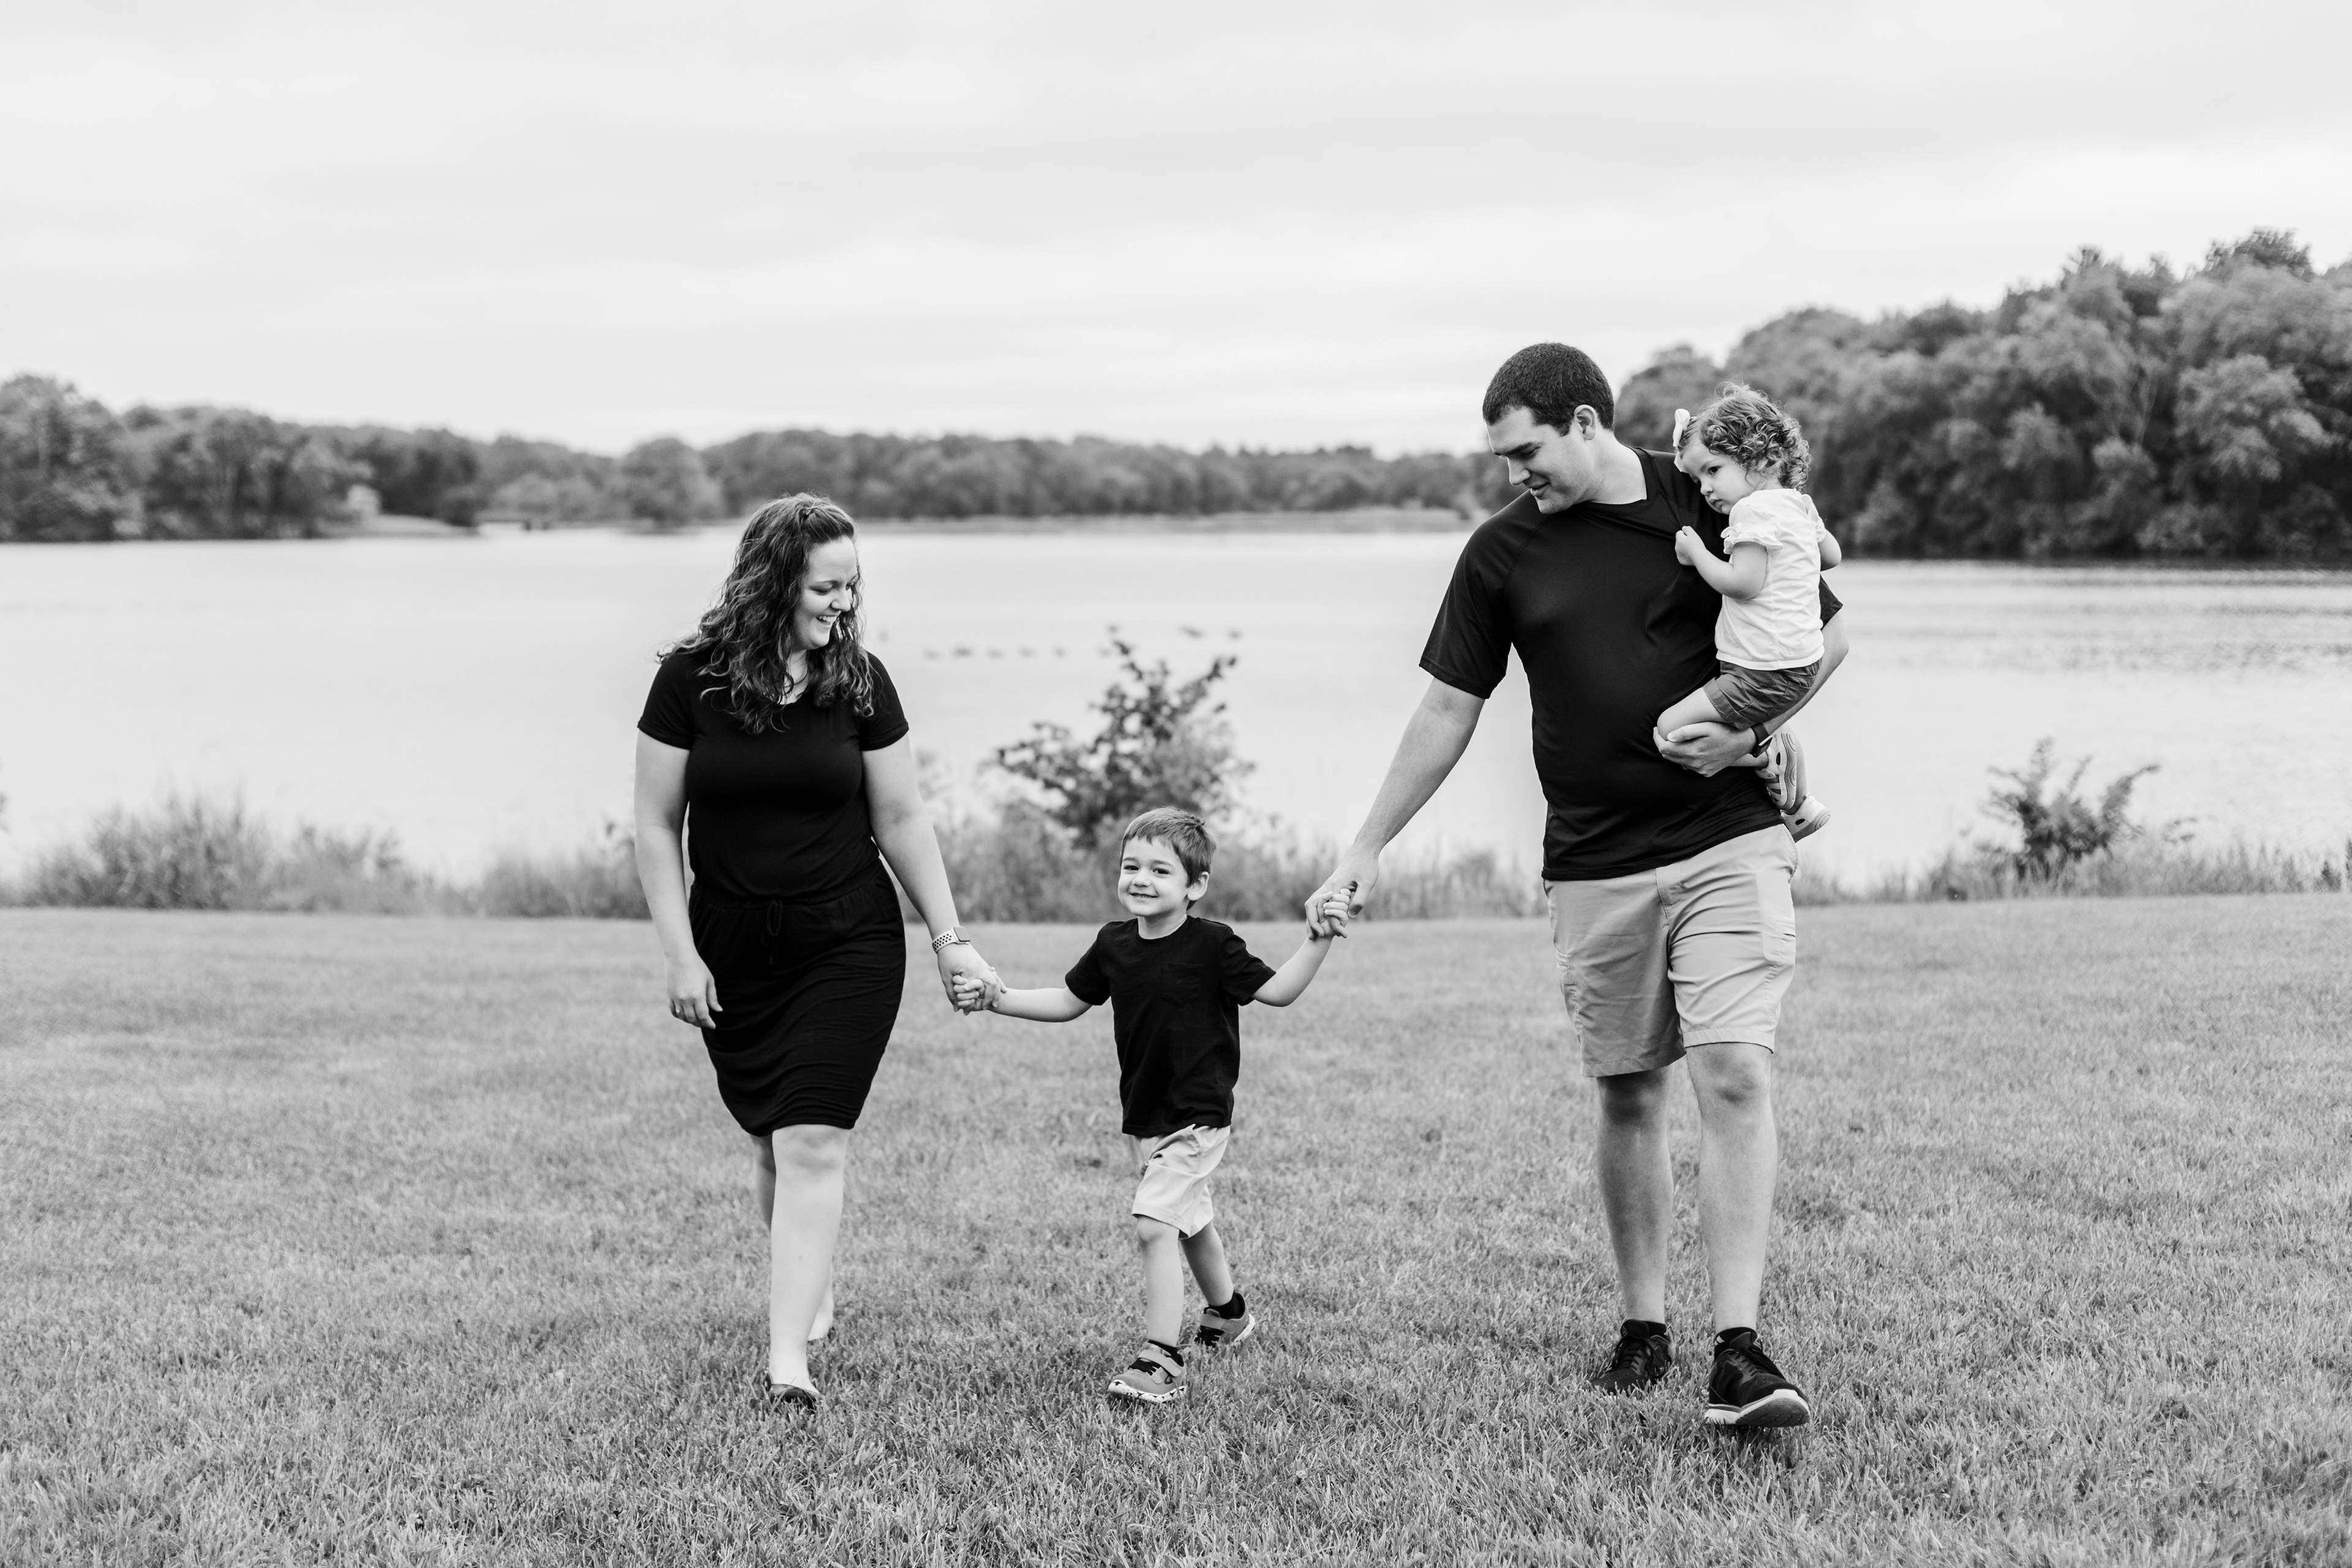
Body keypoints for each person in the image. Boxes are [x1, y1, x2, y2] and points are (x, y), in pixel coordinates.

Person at [1303, 344, 1849, 1430]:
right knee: (1630, 1090)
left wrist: (1759, 727)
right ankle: (1644, 1326)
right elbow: (1447, 709)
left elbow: (1821, 631)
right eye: (1503, 459)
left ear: (1588, 423)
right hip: (1596, 858)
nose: (1516, 475)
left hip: (1728, 835)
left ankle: (1739, 1351)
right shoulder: (1502, 552)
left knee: (1735, 1072)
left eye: (1528, 451)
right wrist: (1365, 846)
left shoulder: (1702, 499)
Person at [633, 493, 997, 1410]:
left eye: (852, 585)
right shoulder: (689, 681)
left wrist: (949, 938)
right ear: (774, 581)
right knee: (770, 1137)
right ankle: (810, 1281)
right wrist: (680, 954)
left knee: (811, 1137)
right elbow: (656, 825)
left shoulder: (861, 682)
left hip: (848, 940)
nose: (845, 602)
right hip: (733, 944)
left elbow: (902, 818)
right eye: (827, 586)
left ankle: (787, 1358)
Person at [954, 807, 1353, 1406]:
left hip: (1198, 1111)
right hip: (1145, 1113)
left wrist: (1316, 939)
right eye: (1131, 866)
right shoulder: (1113, 944)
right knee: (1190, 1220)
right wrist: (998, 998)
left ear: (1196, 885)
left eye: (1160, 870)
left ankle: (1161, 1356)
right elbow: (1068, 1000)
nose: (1140, 878)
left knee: (1154, 1223)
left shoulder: (1213, 944)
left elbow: (1278, 991)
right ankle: (1229, 1314)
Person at [1657, 385, 1844, 839]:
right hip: (1802, 663)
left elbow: (1743, 583)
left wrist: (1696, 553)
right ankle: (1793, 799)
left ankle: (1767, 755)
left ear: (1760, 460)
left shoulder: (1751, 512)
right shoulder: (1799, 505)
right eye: (1697, 479)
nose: (1705, 489)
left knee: (1669, 732)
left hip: (1763, 673)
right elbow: (1832, 556)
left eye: (1713, 470)